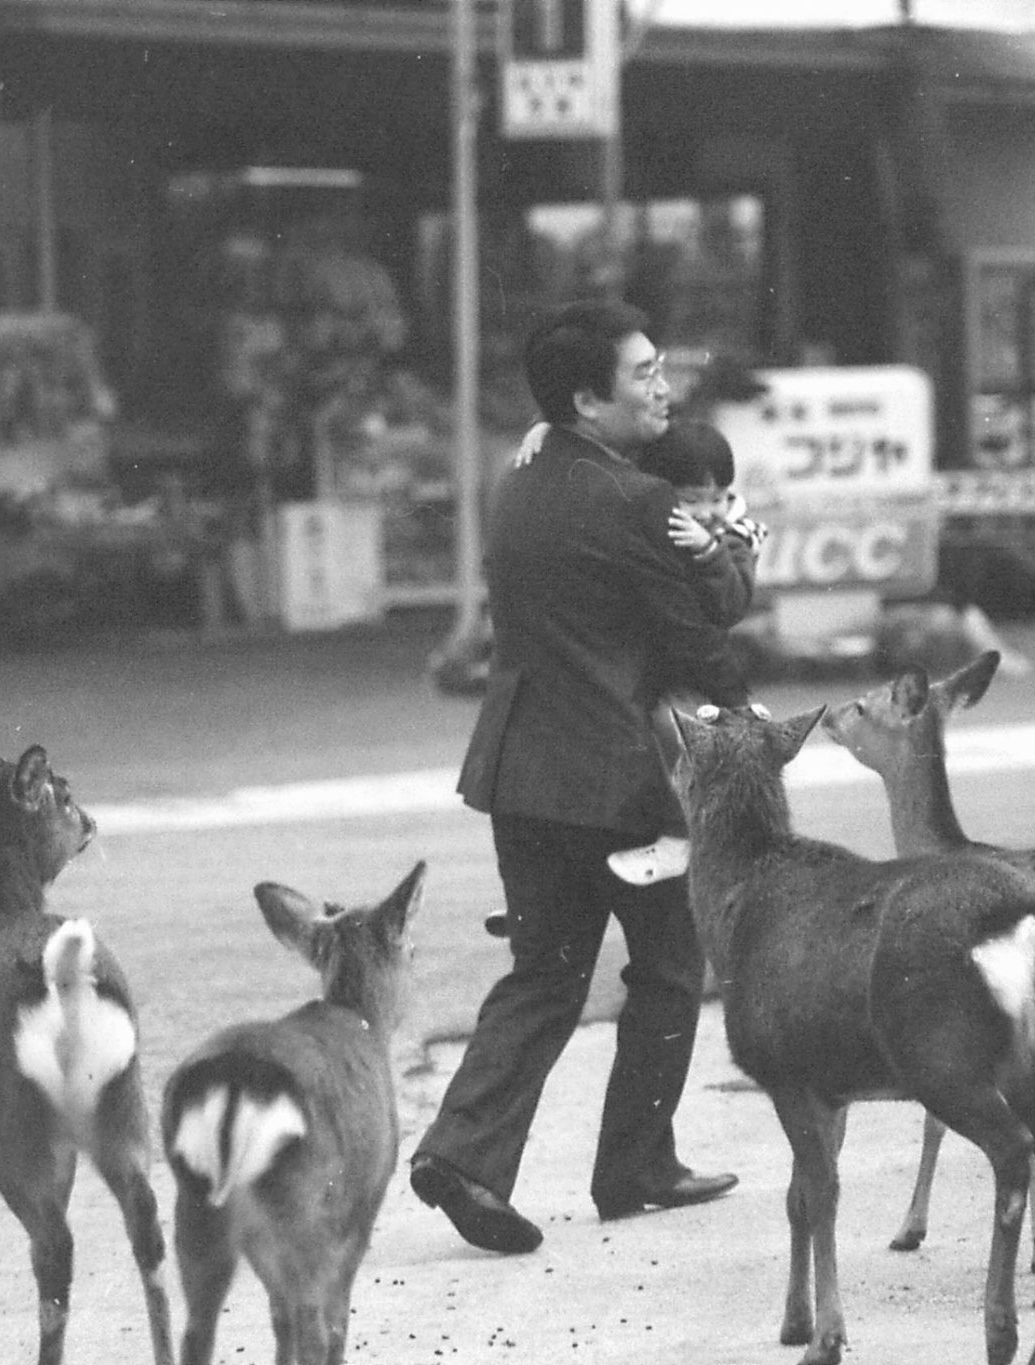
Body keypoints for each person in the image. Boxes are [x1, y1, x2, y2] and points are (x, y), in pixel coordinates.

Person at [408, 300, 751, 1255]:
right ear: (588, 398)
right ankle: (635, 1164)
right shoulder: (640, 504)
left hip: (519, 770)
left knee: (545, 974)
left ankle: (465, 1152)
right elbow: (695, 635)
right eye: (643, 374)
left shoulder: (520, 480)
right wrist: (754, 718)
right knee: (672, 966)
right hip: (620, 780)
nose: (662, 384)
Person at [604, 419, 767, 887]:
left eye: (718, 497)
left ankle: (682, 836)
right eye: (692, 500)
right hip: (651, 663)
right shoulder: (649, 525)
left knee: (674, 728)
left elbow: (731, 604)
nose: (709, 510)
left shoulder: (734, 537)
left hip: (693, 673)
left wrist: (712, 553)